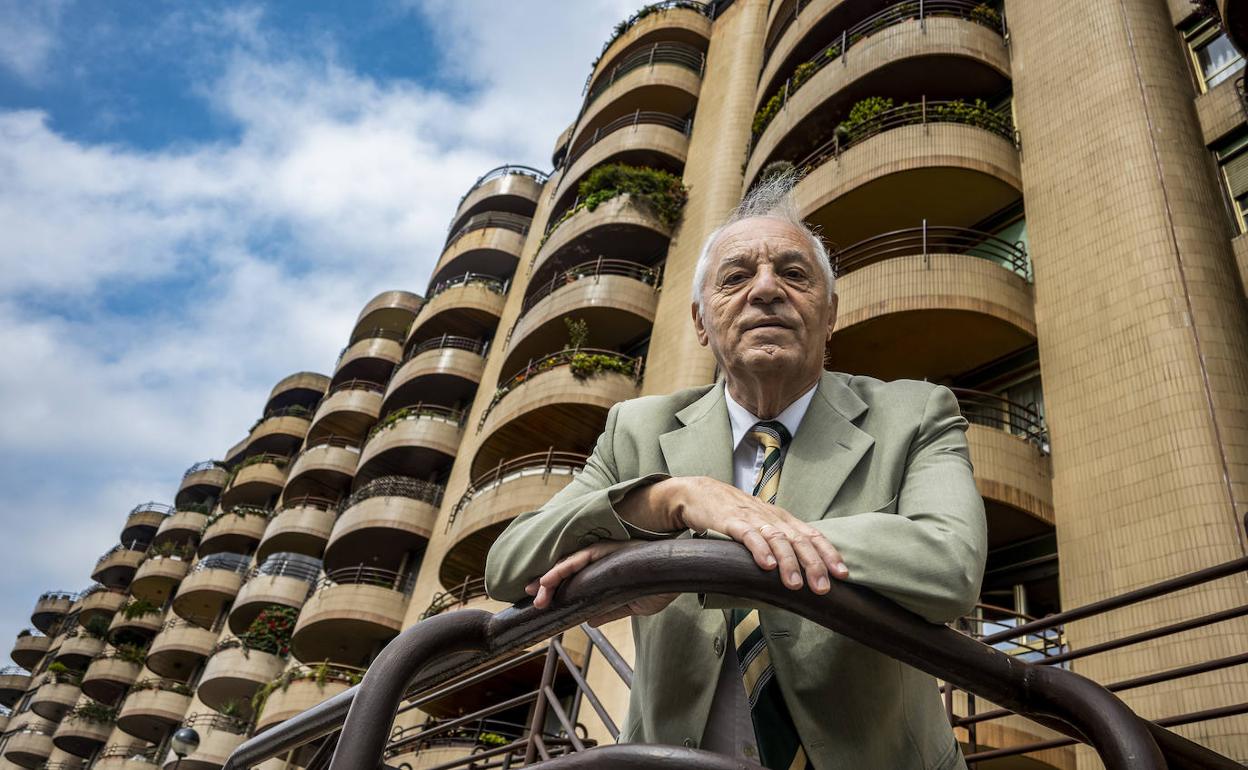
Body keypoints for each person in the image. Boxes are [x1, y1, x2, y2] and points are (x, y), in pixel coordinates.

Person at [484, 173, 987, 770]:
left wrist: (687, 556)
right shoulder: (635, 430)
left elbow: (948, 563)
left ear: (829, 315)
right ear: (701, 322)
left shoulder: (915, 412)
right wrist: (668, 502)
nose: (766, 290)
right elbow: (508, 566)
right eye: (736, 276)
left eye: (794, 275)